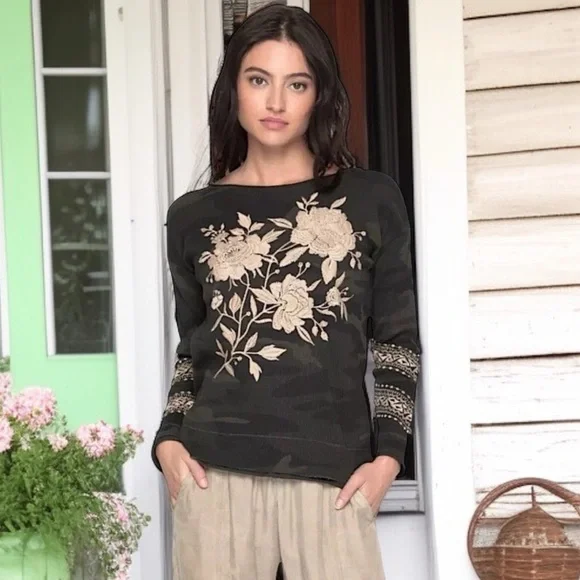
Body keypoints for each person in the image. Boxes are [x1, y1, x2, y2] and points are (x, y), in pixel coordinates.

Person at [151, 4, 421, 579]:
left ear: (318, 95)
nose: (276, 101)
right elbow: (193, 350)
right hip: (213, 475)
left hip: (334, 479)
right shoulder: (193, 216)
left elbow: (397, 341)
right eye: (258, 80)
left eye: (296, 84)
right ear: (233, 90)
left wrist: (388, 459)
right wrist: (167, 441)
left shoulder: (371, 199)